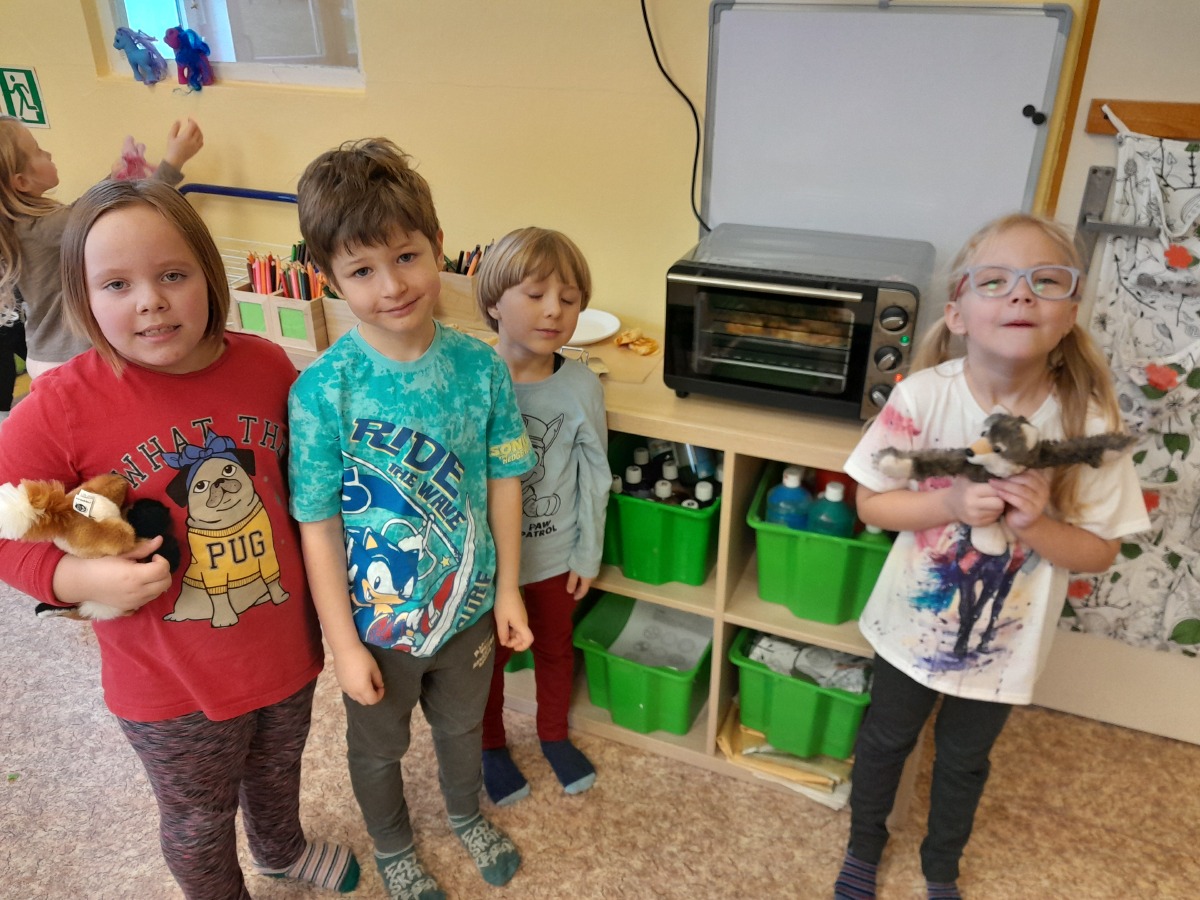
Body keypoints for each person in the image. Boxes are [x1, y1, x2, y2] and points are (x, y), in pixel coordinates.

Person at [0, 180, 359, 899]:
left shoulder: (265, 367)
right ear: (82, 297)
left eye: (172, 274)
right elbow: (8, 533)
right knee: (199, 817)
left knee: (277, 771)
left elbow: (309, 489)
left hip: (284, 648)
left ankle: (281, 848)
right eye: (117, 284)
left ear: (208, 273)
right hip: (168, 682)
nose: (151, 301)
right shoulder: (61, 405)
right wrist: (77, 581)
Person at [832, 213, 1149, 900]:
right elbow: (871, 504)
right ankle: (862, 849)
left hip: (1004, 648)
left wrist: (1035, 525)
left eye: (1046, 281)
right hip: (910, 629)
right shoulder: (922, 397)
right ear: (958, 314)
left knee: (965, 760)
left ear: (1070, 313)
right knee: (884, 741)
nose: (1021, 294)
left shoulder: (1090, 425)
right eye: (997, 281)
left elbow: (1099, 551)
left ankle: (941, 867)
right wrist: (949, 504)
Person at [289, 137, 536, 900]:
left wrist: (508, 589)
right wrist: (342, 644)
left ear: (438, 247)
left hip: (468, 608)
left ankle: (463, 813)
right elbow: (318, 525)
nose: (392, 285)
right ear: (329, 278)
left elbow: (504, 481)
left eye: (406, 257)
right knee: (377, 748)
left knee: (463, 730)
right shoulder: (321, 392)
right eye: (362, 270)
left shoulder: (481, 366)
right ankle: (394, 847)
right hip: (377, 626)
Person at [473, 226, 610, 805]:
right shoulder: (472, 378)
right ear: (493, 303)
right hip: (485, 565)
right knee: (485, 665)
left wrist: (587, 552)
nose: (554, 310)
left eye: (570, 299)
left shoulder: (581, 387)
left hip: (555, 557)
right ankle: (490, 747)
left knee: (556, 649)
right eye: (535, 294)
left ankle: (553, 734)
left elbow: (596, 474)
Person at [0, 115, 204, 379]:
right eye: (38, 151)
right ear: (22, 182)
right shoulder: (45, 227)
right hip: (71, 358)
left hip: (46, 353)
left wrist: (114, 178)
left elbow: (84, 209)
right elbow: (128, 215)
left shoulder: (24, 225)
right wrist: (174, 160)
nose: (47, 153)